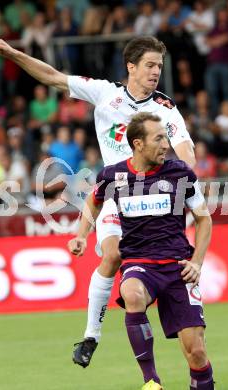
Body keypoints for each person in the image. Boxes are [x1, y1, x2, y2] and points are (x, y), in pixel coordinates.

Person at [0, 35, 196, 367]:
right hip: (116, 192)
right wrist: (11, 53)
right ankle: (91, 336)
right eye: (150, 65)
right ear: (131, 67)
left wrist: (182, 173)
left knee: (154, 279)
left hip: (153, 198)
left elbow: (186, 151)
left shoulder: (164, 108)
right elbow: (53, 76)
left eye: (159, 66)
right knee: (111, 255)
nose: (156, 72)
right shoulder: (105, 93)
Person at [69, 113, 213, 390]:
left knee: (196, 352)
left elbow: (204, 218)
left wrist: (197, 262)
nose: (165, 144)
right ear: (138, 143)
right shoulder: (114, 175)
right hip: (140, 263)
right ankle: (151, 381)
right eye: (158, 138)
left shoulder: (180, 173)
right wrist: (81, 235)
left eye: (166, 137)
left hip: (178, 266)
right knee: (131, 292)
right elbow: (94, 201)